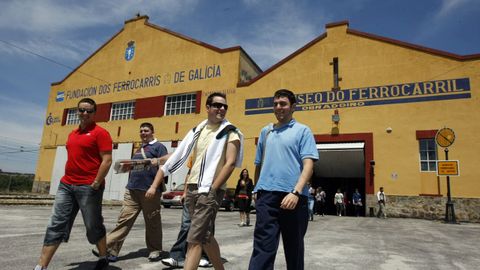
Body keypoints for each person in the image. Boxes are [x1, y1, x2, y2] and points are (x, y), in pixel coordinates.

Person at [153, 92, 243, 270]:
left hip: (210, 188)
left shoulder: (230, 132)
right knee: (205, 236)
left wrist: (213, 189)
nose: (222, 109)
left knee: (194, 239)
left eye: (225, 106)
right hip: (194, 187)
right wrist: (156, 162)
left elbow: (230, 163)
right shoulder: (198, 131)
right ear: (208, 108)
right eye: (217, 105)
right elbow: (181, 154)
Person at [33, 98, 113, 270]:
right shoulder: (72, 134)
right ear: (77, 111)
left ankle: (103, 257)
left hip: (89, 186)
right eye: (81, 110)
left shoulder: (101, 133)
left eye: (89, 111)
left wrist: (96, 183)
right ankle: (41, 266)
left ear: (94, 113)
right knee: (56, 223)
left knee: (93, 225)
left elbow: (106, 160)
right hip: (66, 185)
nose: (84, 113)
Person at [248, 89, 319, 270]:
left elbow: (309, 165)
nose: (279, 107)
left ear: (293, 107)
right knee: (262, 247)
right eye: (276, 104)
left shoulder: (303, 131)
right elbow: (258, 164)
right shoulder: (266, 131)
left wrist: (296, 192)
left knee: (294, 249)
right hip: (266, 197)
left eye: (283, 104)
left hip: (294, 198)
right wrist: (256, 189)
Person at [93, 122, 168, 262]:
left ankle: (155, 249)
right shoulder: (139, 149)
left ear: (152, 132)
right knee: (123, 220)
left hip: (149, 191)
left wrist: (154, 186)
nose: (143, 133)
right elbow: (139, 167)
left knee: (152, 221)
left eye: (146, 130)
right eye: (141, 131)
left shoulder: (159, 147)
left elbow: (165, 167)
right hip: (132, 189)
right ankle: (111, 250)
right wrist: (126, 168)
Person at [161, 160, 212, 268]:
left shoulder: (218, 146)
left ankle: (204, 256)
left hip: (207, 190)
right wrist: (185, 192)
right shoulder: (195, 149)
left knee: (204, 227)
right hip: (191, 191)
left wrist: (214, 189)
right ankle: (177, 257)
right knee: (186, 225)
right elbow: (190, 173)